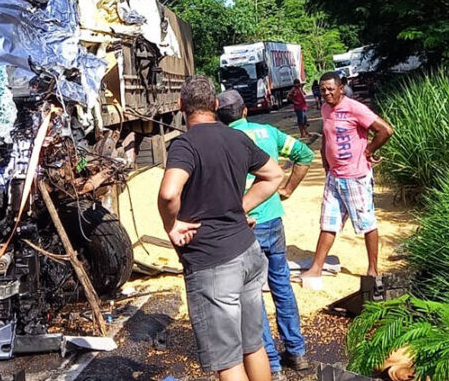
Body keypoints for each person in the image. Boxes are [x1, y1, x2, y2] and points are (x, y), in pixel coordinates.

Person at [158, 76, 284, 381]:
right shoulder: (236, 137)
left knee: (228, 361)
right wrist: (239, 207)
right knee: (253, 346)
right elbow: (274, 175)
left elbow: (168, 193)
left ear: (180, 106)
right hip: (248, 253)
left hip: (213, 263)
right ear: (215, 105)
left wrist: (172, 226)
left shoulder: (184, 145)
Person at [217, 90, 314, 379]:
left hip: (245, 225)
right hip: (273, 220)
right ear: (245, 111)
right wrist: (287, 190)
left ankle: (270, 362)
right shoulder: (267, 131)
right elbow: (305, 154)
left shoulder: (223, 141)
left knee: (252, 293)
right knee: (281, 284)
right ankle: (297, 352)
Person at [298, 72, 393, 288]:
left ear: (341, 87)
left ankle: (372, 270)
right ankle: (316, 268)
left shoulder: (354, 108)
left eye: (331, 89)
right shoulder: (325, 108)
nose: (327, 93)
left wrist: (368, 150)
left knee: (366, 223)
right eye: (323, 90)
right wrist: (324, 159)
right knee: (328, 222)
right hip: (334, 176)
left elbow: (386, 130)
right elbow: (327, 135)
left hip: (355, 177)